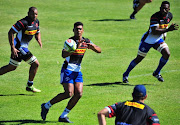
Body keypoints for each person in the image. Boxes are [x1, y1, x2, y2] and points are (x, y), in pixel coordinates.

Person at [41, 22, 101, 123]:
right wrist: (74, 49)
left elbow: (99, 50)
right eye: (76, 29)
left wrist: (93, 47)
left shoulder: (86, 41)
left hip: (77, 71)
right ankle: (46, 106)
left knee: (79, 94)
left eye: (80, 29)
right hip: (67, 70)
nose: (78, 30)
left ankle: (63, 116)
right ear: (73, 30)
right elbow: (63, 55)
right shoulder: (70, 41)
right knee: (68, 93)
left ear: (83, 30)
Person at [123, 1, 179, 83]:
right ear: (160, 8)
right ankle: (125, 75)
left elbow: (165, 25)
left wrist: (165, 34)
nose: (164, 10)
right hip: (148, 40)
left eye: (165, 9)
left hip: (158, 40)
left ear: (169, 9)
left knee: (167, 53)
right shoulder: (155, 17)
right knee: (139, 59)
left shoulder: (170, 16)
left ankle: (157, 73)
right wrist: (167, 30)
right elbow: (154, 31)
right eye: (162, 8)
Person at [0, 7, 42, 92]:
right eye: (32, 14)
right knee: (35, 64)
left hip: (22, 47)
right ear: (28, 13)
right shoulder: (22, 22)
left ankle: (29, 85)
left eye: (36, 14)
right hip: (19, 48)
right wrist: (13, 48)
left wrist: (39, 39)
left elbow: (37, 31)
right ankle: (29, 85)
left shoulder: (36, 22)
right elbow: (11, 32)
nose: (34, 15)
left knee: (11, 67)